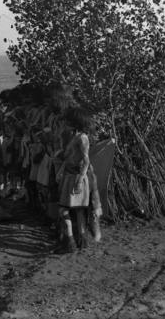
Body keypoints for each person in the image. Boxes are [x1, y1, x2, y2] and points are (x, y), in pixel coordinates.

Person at [56, 107, 102, 253]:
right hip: (71, 176)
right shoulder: (76, 137)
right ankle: (81, 241)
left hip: (76, 178)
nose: (66, 124)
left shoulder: (82, 139)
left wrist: (78, 181)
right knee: (78, 211)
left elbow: (86, 161)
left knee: (65, 210)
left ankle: (70, 242)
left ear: (76, 123)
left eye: (69, 121)